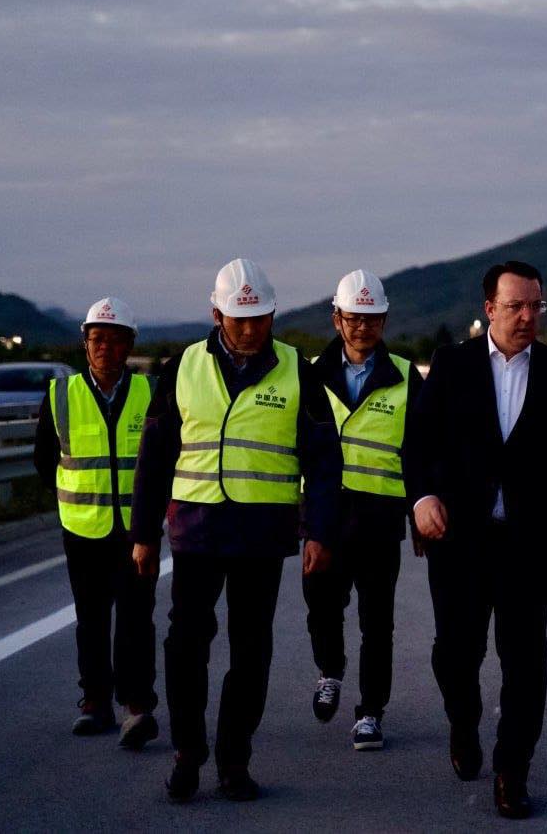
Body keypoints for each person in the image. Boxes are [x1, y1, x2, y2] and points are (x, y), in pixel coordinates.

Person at [130, 258, 341, 803]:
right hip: (196, 531)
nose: (250, 329)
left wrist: (320, 531)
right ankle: (187, 753)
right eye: (239, 319)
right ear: (216, 314)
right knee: (185, 645)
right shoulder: (183, 367)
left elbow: (324, 461)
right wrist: (143, 534)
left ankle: (234, 760)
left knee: (251, 651)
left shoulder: (297, 371)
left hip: (261, 536)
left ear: (273, 315)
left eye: (260, 318)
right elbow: (155, 455)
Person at [404, 260, 547, 819]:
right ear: (490, 309)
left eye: (536, 306)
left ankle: (513, 771)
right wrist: (422, 499)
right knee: (455, 652)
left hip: (530, 544)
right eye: (516, 306)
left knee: (525, 658)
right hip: (457, 538)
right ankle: (463, 723)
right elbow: (418, 442)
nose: (527, 316)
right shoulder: (452, 363)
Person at [303, 268, 423, 751]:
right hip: (325, 518)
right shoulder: (310, 375)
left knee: (378, 624)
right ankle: (330, 671)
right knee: (322, 607)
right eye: (353, 317)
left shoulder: (405, 377)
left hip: (379, 520)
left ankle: (371, 712)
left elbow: (420, 451)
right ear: (336, 319)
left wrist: (419, 509)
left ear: (384, 320)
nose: (362, 327)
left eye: (371, 318)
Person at [33, 296, 159, 748]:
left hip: (137, 530)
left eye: (114, 339)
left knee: (136, 619)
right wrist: (77, 501)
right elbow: (45, 460)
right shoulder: (60, 395)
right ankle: (95, 702)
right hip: (83, 529)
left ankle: (137, 704)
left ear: (130, 345)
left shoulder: (151, 392)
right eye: (97, 338)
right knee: (90, 619)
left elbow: (164, 458)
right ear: (85, 343)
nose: (105, 347)